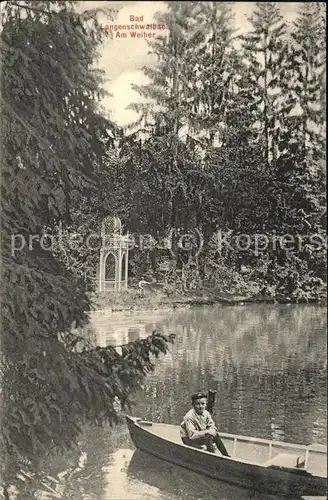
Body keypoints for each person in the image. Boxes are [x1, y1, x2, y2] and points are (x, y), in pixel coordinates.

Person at [180, 392, 230, 456]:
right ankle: (212, 456)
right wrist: (207, 432)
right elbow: (192, 435)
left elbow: (212, 425)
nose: (200, 406)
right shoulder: (189, 416)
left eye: (203, 404)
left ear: (205, 404)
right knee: (208, 438)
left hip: (200, 433)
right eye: (197, 404)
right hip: (188, 439)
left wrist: (212, 431)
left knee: (215, 435)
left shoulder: (206, 413)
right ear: (193, 404)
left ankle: (226, 456)